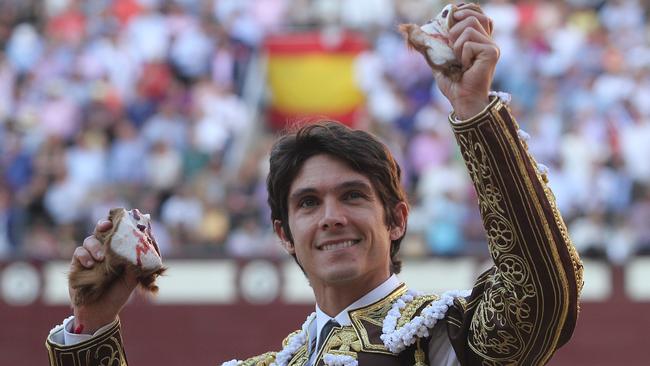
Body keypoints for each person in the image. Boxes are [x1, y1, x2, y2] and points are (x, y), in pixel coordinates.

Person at [45, 4, 583, 366]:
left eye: (352, 195)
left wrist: (473, 110)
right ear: (284, 233)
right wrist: (90, 326)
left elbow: (543, 290)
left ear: (396, 219)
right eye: (308, 203)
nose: (331, 216)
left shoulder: (443, 336)